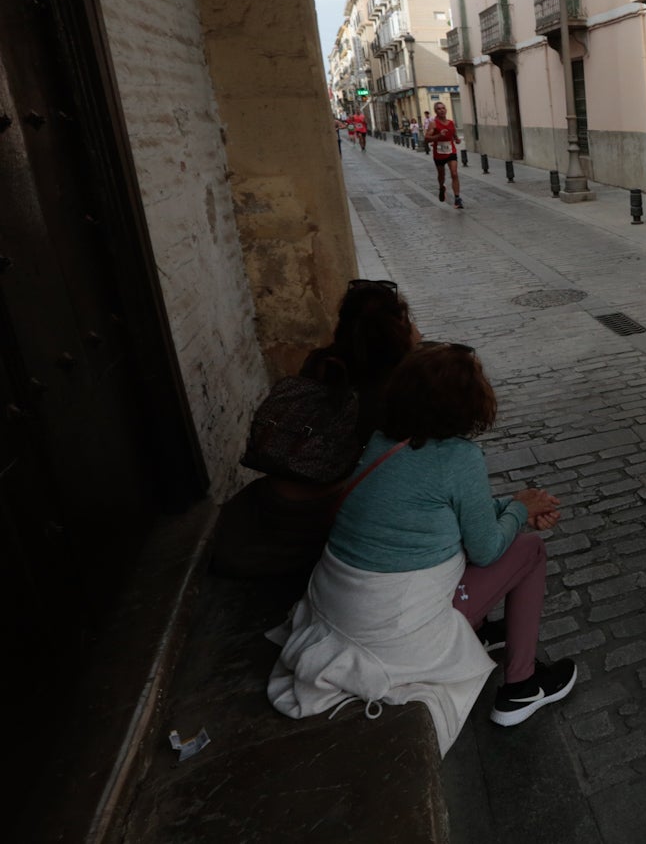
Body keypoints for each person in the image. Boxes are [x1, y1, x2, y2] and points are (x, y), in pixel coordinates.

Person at [267, 342, 577, 754]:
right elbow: (486, 549)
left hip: (338, 607)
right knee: (530, 549)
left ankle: (479, 632)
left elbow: (442, 511)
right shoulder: (459, 457)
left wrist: (513, 506)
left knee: (486, 537)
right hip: (392, 628)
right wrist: (520, 511)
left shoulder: (382, 442)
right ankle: (521, 686)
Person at [214, 278, 420, 581]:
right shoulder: (394, 386)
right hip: (321, 513)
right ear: (400, 329)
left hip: (273, 500)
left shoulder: (323, 361)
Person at [425, 100, 463, 209]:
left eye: (443, 108)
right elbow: (426, 138)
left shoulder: (451, 122)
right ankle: (441, 187)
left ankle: (457, 199)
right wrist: (438, 136)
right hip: (439, 153)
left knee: (454, 173)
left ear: (446, 110)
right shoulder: (433, 123)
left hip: (451, 151)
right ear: (435, 111)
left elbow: (454, 134)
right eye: (439, 109)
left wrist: (457, 139)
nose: (441, 110)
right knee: (441, 175)